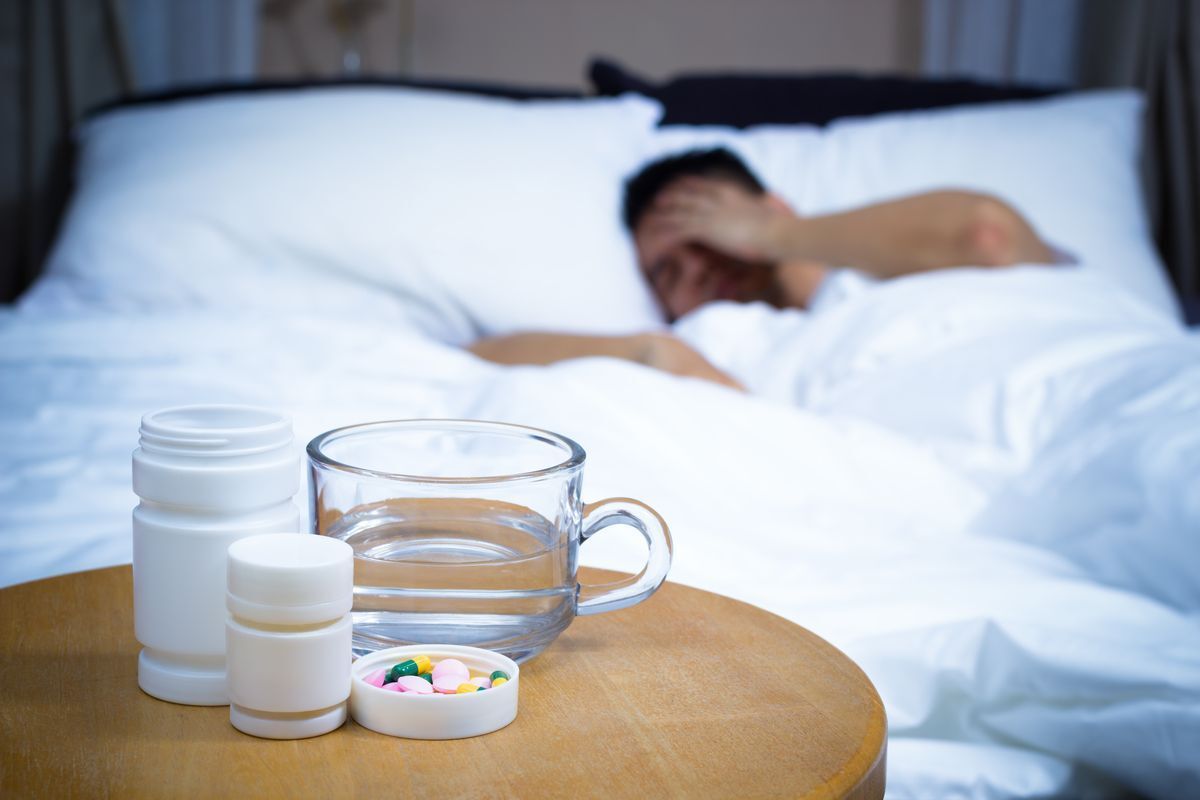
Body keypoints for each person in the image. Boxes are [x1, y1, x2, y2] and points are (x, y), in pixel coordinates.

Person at [471, 148, 1056, 388]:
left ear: (772, 205)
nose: (695, 272)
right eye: (667, 273)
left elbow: (990, 239)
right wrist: (648, 351)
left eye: (703, 231)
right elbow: (474, 356)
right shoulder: (713, 346)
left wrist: (773, 236)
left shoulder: (878, 267)